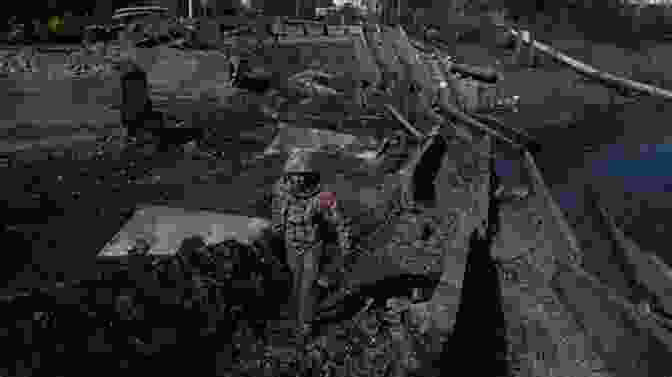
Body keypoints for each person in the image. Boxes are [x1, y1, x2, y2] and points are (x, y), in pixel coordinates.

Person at [271, 148, 354, 342]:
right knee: (295, 283)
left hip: (312, 247)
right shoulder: (281, 191)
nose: (298, 179)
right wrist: (275, 232)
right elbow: (277, 215)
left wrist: (345, 245)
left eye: (303, 175)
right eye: (294, 175)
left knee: (307, 286)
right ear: (288, 176)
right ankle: (296, 320)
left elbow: (340, 221)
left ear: (309, 176)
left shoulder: (322, 196)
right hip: (291, 245)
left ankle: (305, 328)